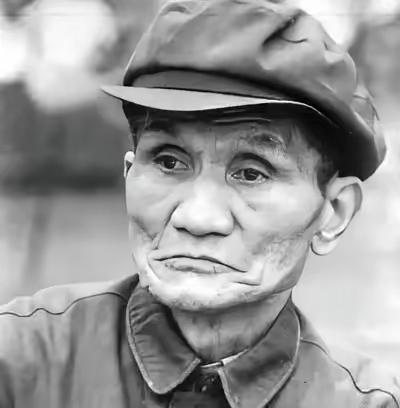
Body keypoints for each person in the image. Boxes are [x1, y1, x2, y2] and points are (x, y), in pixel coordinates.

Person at [0, 0, 398, 407]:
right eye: (169, 161)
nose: (197, 217)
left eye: (251, 173)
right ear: (128, 173)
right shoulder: (22, 362)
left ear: (334, 212)